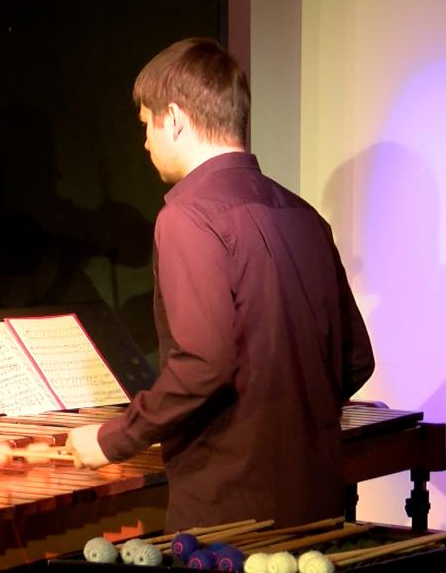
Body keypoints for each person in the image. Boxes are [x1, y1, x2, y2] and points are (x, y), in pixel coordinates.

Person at [66, 38, 375, 531]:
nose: (144, 141)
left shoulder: (186, 217)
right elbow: (357, 359)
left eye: (146, 124)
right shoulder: (305, 217)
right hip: (318, 501)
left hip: (226, 516)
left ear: (175, 118)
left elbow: (203, 364)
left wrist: (112, 440)